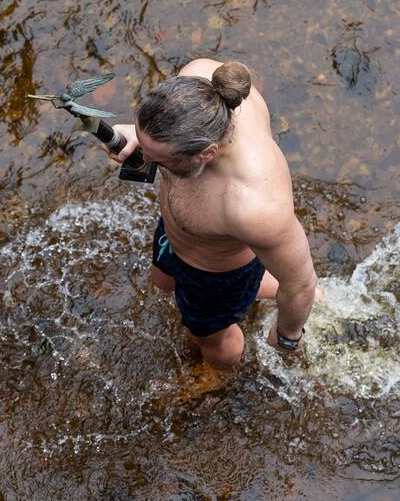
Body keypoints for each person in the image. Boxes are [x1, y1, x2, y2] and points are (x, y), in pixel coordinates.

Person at [111, 58, 318, 368]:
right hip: (177, 234)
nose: (144, 158)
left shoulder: (253, 206)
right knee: (163, 282)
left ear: (207, 153)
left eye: (158, 159)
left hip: (216, 276)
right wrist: (134, 136)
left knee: (212, 340)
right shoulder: (200, 79)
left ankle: (215, 377)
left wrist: (288, 333)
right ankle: (266, 290)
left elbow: (301, 283)